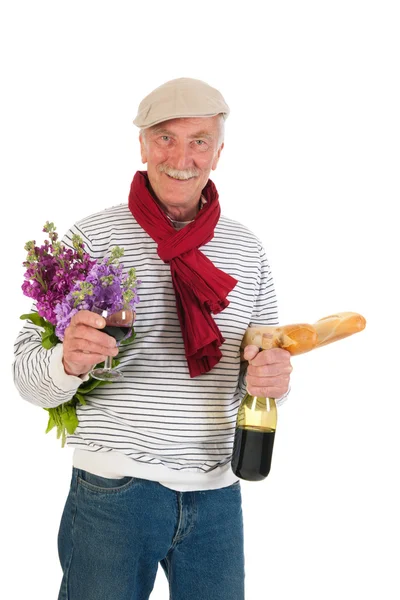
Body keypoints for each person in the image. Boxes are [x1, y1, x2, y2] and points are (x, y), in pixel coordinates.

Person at [13, 77, 292, 600]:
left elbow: (264, 371)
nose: (181, 156)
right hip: (111, 498)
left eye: (199, 140)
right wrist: (66, 363)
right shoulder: (91, 241)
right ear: (141, 144)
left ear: (219, 152)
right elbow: (28, 379)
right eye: (165, 137)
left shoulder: (246, 250)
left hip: (217, 500)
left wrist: (274, 378)